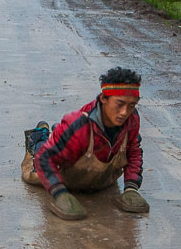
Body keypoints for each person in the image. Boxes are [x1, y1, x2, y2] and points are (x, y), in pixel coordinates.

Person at [21, 67, 148, 220]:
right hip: (67, 167)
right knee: (39, 158)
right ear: (103, 99)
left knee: (65, 139)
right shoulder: (80, 125)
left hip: (99, 177)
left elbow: (133, 151)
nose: (124, 112)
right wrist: (59, 192)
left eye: (131, 105)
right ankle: (39, 136)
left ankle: (58, 132)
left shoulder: (131, 120)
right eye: (119, 104)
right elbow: (45, 158)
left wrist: (131, 187)